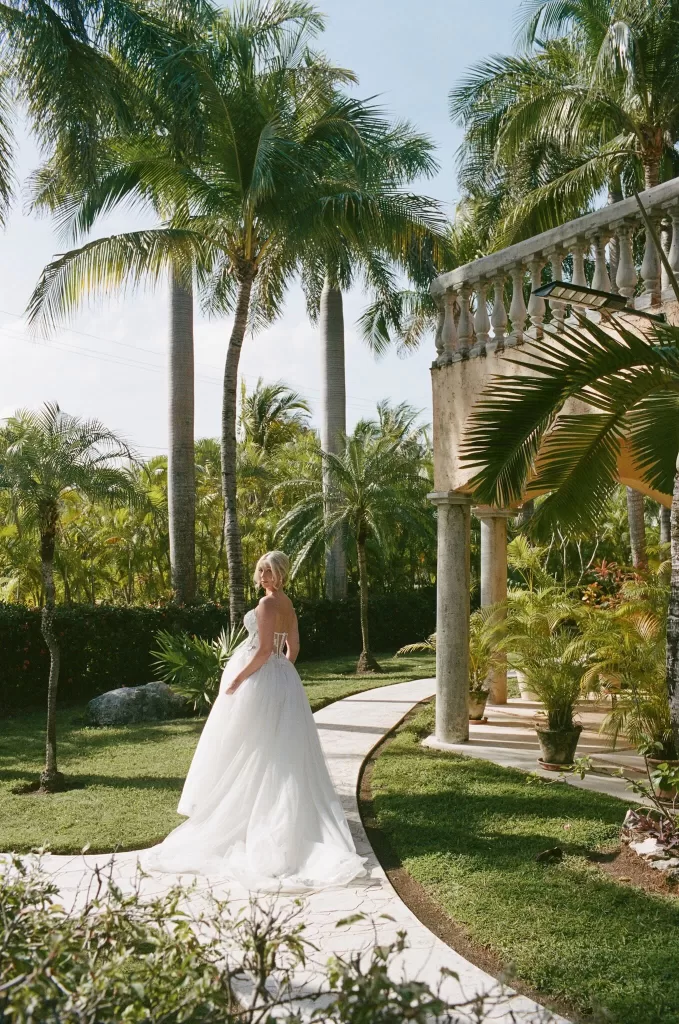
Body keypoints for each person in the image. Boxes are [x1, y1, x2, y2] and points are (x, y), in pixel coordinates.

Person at [142, 550, 366, 891]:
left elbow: (262, 651)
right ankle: (269, 815)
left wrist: (237, 680)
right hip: (282, 679)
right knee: (277, 749)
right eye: (261, 570)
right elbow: (293, 647)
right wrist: (284, 671)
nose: (263, 576)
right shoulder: (288, 604)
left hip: (259, 678)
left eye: (269, 571)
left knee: (251, 746)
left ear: (280, 574)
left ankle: (248, 819)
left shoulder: (266, 606)